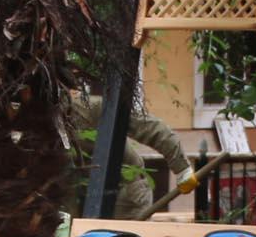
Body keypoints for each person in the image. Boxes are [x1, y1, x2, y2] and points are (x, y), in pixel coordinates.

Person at [70, 92, 199, 219]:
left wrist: (182, 169)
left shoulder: (89, 109)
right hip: (86, 197)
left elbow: (151, 128)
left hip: (125, 193)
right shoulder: (51, 130)